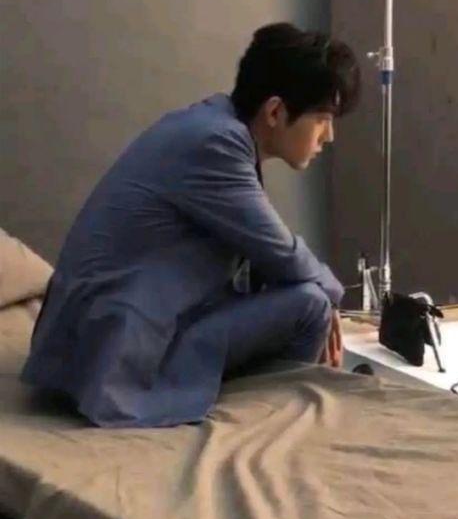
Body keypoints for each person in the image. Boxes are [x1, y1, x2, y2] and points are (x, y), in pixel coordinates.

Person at [21, 23, 361, 428]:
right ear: (275, 112)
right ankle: (272, 419)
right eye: (322, 119)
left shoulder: (210, 125)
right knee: (311, 304)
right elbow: (282, 253)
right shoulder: (217, 145)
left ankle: (252, 396)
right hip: (112, 354)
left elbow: (266, 258)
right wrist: (332, 295)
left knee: (303, 293)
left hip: (88, 343)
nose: (329, 136)